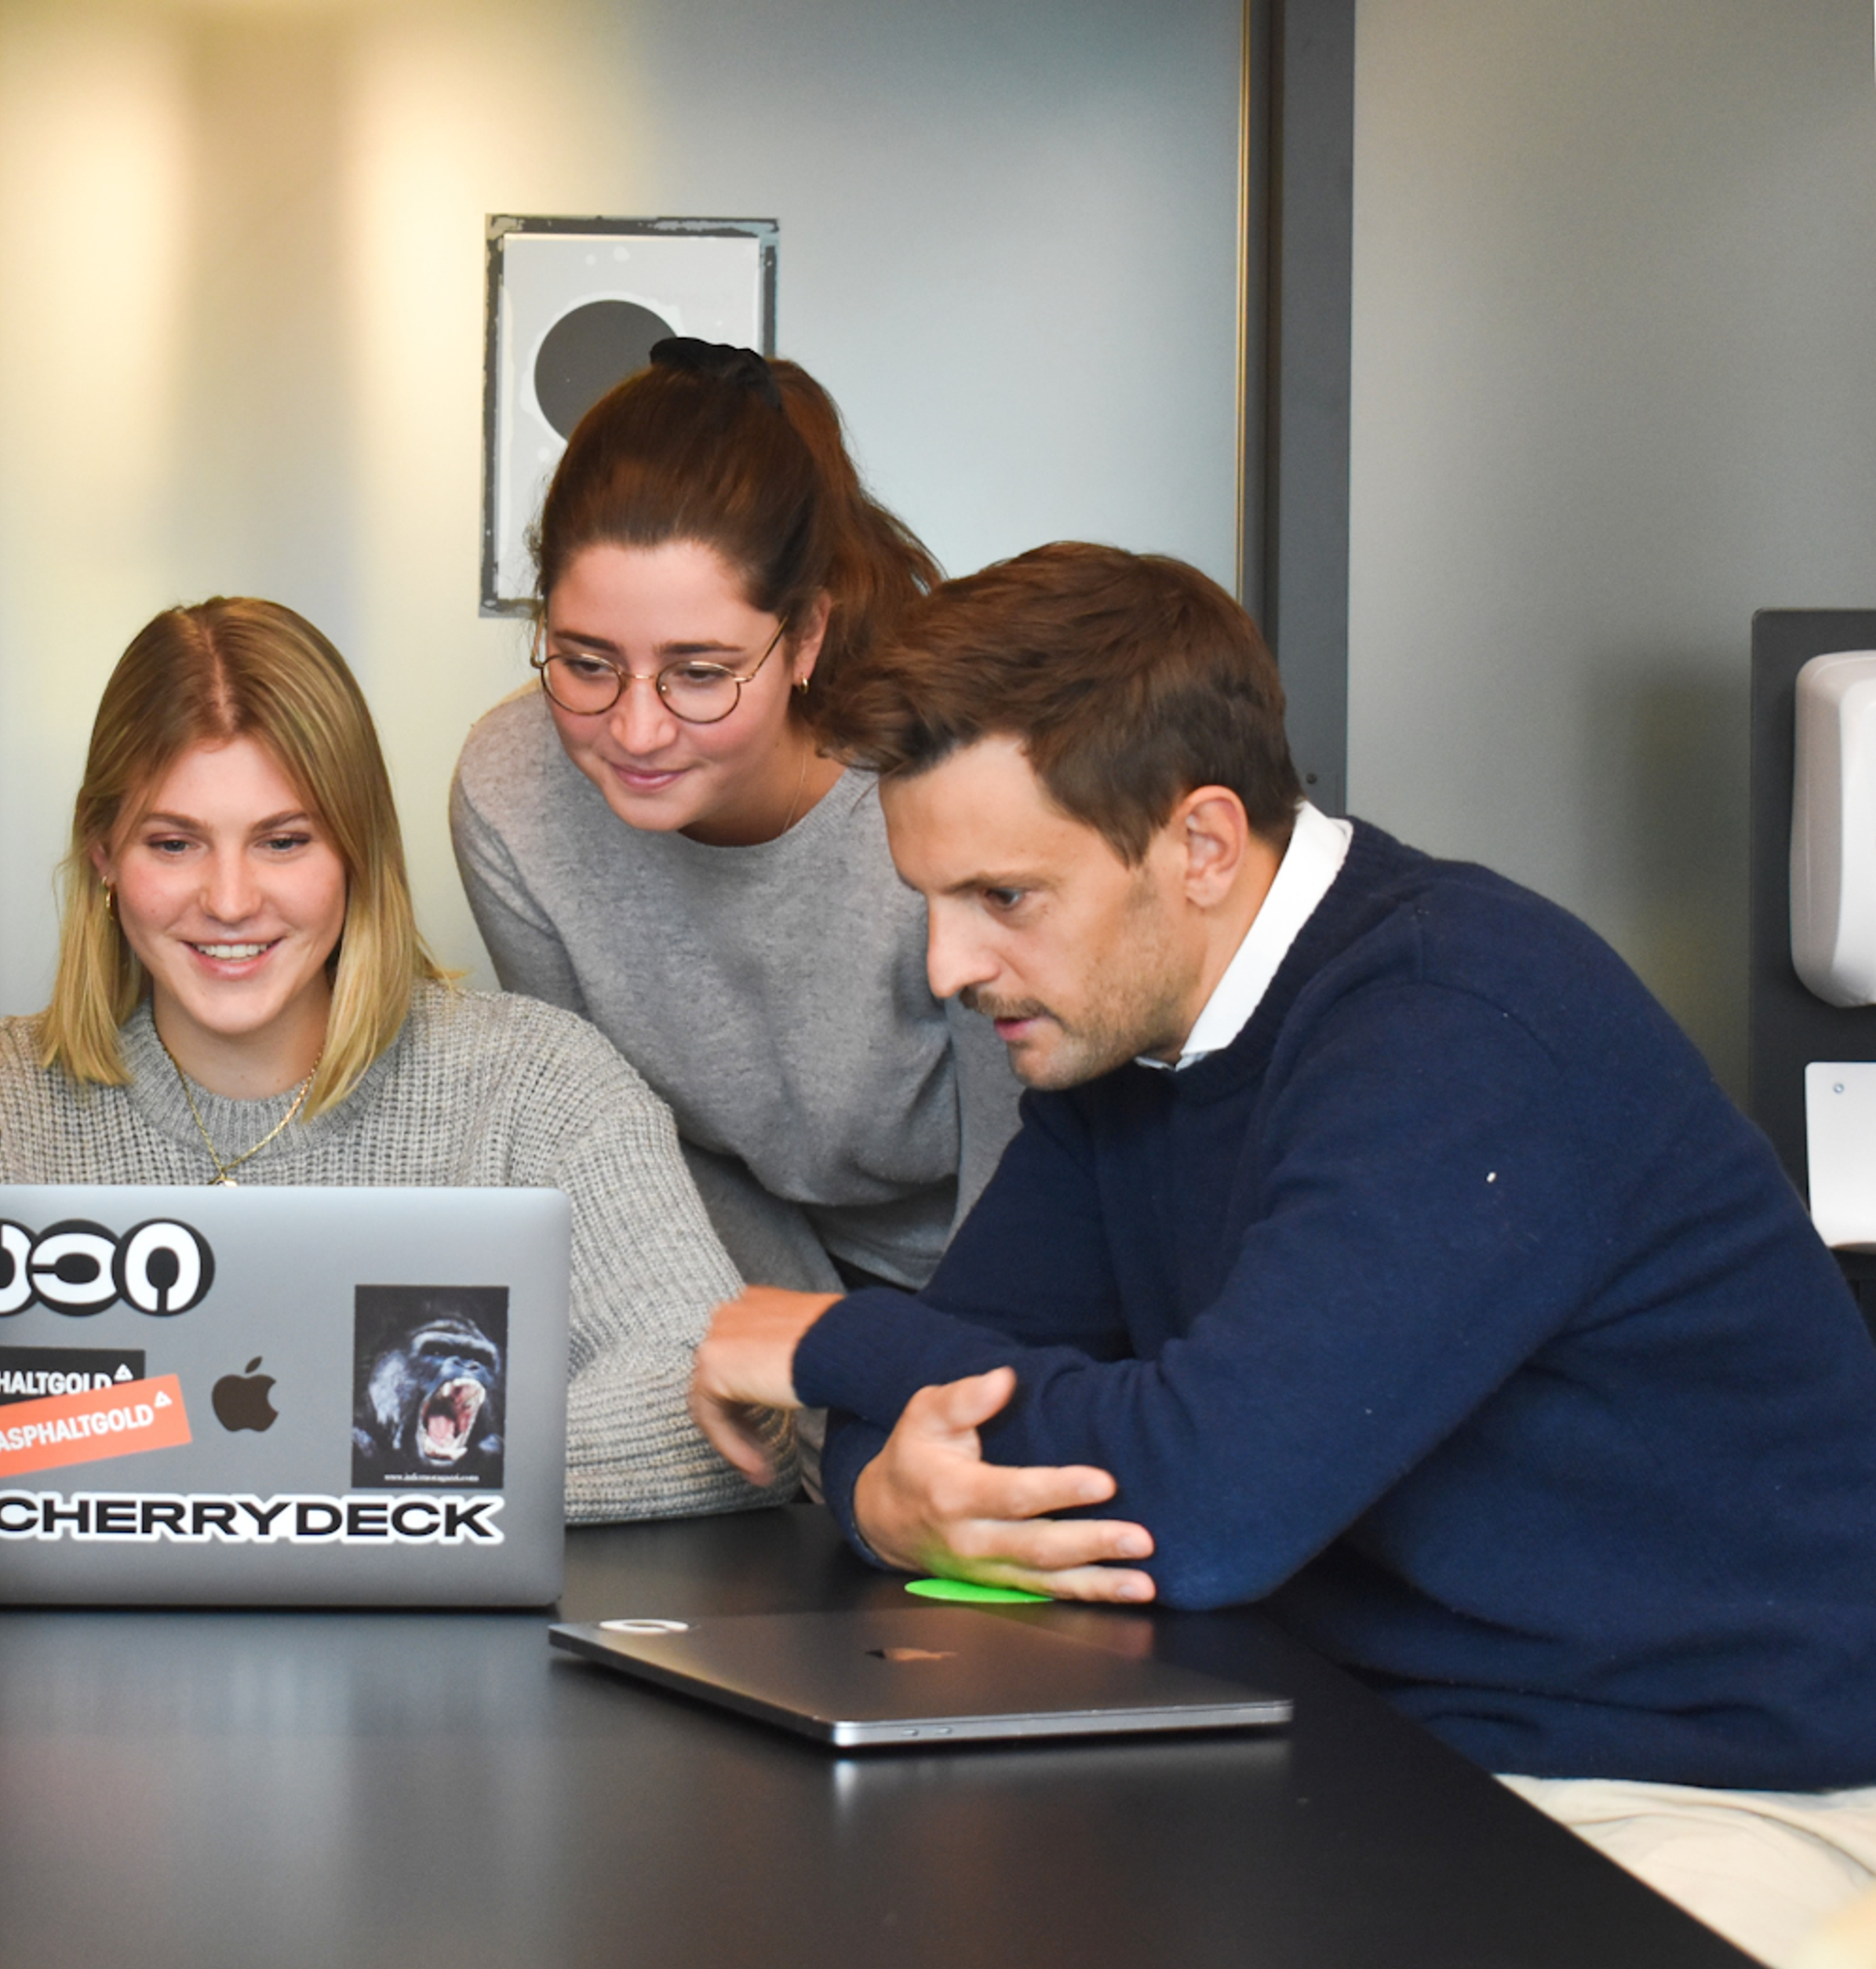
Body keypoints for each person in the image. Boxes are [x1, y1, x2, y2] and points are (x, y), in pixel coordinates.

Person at [686, 541, 1876, 1967]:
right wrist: (889, 1491)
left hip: (1694, 1784)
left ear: (1199, 842)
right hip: (1375, 1746)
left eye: (1004, 897)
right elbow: (960, 1398)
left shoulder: (1461, 1025)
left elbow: (1204, 1498)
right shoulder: (1117, 1033)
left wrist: (822, 1340)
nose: (948, 967)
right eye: (930, 902)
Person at [0, 596, 779, 1523]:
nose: (232, 899)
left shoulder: (539, 1087)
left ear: (356, 852)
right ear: (104, 854)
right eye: (174, 843)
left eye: (284, 841)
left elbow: (726, 1415)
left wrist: (252, 1450)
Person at [451, 338, 1018, 1305]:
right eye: (586, 661)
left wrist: (924, 1373)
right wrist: (814, 1384)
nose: (635, 729)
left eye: (701, 674)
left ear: (805, 637)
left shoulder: (954, 775)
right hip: (741, 1283)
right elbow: (617, 1140)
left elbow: (1030, 1146)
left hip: (1024, 1266)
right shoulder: (512, 797)